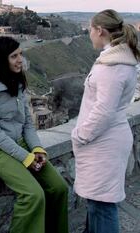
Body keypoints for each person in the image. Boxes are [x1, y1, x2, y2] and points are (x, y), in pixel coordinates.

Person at [0, 36, 69, 233]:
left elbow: (26, 123)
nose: (20, 60)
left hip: (20, 142)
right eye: (14, 56)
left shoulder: (16, 81)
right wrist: (26, 158)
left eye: (21, 55)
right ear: (1, 59)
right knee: (33, 195)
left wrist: (36, 148)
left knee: (59, 188)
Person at [71, 9, 140, 233]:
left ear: (100, 31)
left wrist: (81, 135)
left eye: (90, 29)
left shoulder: (113, 65)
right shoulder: (119, 59)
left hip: (104, 142)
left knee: (102, 205)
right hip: (108, 139)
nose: (89, 34)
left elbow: (104, 110)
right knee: (98, 203)